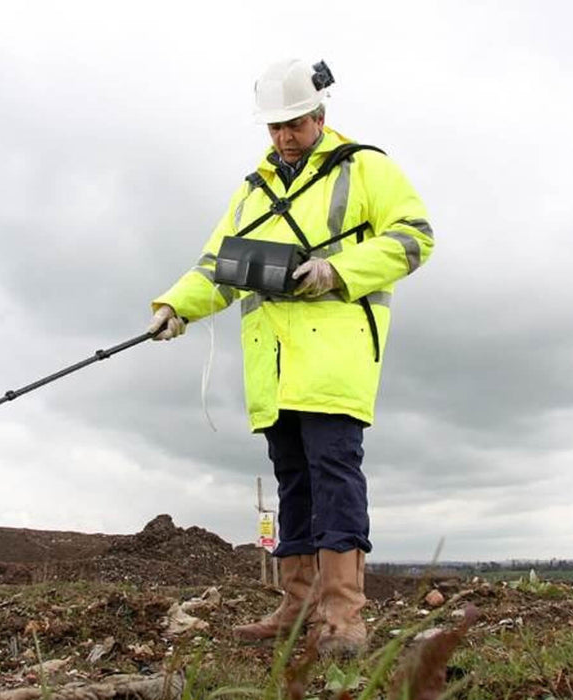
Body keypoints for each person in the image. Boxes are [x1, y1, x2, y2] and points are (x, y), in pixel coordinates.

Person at [147, 58, 434, 656]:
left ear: (321, 117)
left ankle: (343, 616)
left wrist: (337, 271)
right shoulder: (251, 191)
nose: (284, 137)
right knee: (293, 481)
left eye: (295, 125)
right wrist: (178, 306)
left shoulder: (364, 168)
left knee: (334, 476)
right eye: (275, 128)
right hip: (271, 367)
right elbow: (218, 268)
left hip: (334, 359)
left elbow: (414, 237)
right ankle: (297, 606)